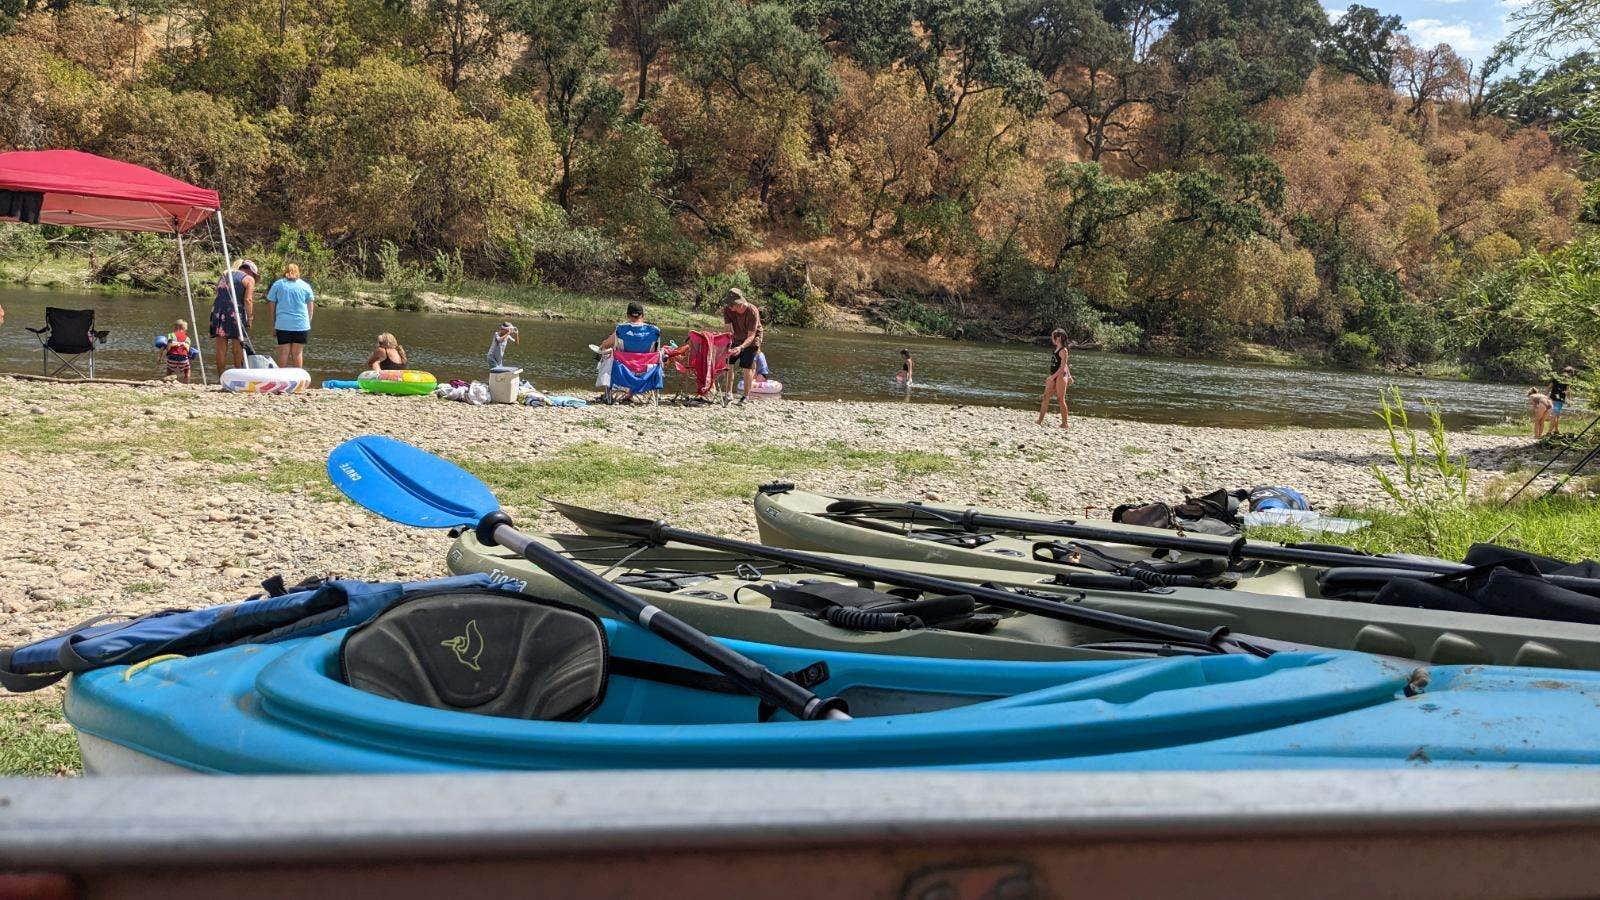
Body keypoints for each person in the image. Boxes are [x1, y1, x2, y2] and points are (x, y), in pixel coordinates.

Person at [598, 301, 661, 401]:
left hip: (623, 368)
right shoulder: (654, 330)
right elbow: (655, 351)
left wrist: (602, 345)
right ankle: (634, 393)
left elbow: (606, 345)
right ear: (642, 315)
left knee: (606, 356)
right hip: (646, 369)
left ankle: (608, 395)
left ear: (627, 315)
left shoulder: (622, 329)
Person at [210, 259, 257, 372]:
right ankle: (239, 374)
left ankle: (221, 377)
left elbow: (218, 291)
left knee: (221, 349)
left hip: (218, 312)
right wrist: (250, 318)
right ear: (251, 271)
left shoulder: (225, 274)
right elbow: (248, 300)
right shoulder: (249, 279)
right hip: (235, 314)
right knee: (238, 347)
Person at [267, 263, 315, 369]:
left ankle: (281, 377)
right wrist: (308, 322)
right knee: (297, 353)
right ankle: (298, 377)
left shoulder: (278, 284)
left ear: (285, 271)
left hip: (283, 324)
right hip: (301, 325)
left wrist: (274, 323)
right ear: (298, 272)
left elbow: (271, 303)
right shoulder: (305, 286)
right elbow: (310, 306)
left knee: (283, 353)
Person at [722, 288, 762, 405]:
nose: (729, 307)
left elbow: (751, 336)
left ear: (739, 304)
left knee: (746, 366)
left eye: (731, 305)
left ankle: (745, 396)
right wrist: (727, 344)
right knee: (728, 362)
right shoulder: (727, 310)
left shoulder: (752, 311)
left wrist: (741, 348)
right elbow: (728, 329)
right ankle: (728, 393)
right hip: (736, 337)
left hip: (752, 339)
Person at [1038, 328, 1072, 429]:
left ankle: (1065, 423)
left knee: (1060, 399)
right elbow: (1064, 364)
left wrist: (1053, 377)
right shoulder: (1056, 349)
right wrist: (1052, 377)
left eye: (1053, 337)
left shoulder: (1063, 350)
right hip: (1054, 375)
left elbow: (1063, 366)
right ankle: (1039, 420)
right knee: (1046, 397)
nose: (1052, 338)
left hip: (1060, 376)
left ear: (1059, 338)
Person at [160, 319, 194, 383]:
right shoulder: (188, 338)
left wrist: (161, 357)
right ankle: (187, 382)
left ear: (176, 328)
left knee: (169, 369)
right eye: (186, 330)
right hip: (183, 359)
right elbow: (188, 350)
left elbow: (168, 348)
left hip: (172, 358)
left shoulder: (171, 335)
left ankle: (167, 381)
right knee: (187, 370)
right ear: (183, 329)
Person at [1548, 367, 1575, 435]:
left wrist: (1543, 396)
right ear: (1570, 373)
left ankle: (1556, 430)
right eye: (1571, 374)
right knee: (1554, 415)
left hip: (1551, 398)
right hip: (1559, 400)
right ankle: (1549, 432)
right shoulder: (1567, 379)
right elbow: (1568, 391)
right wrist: (1569, 401)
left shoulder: (1556, 377)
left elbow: (1549, 387)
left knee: (1556, 415)